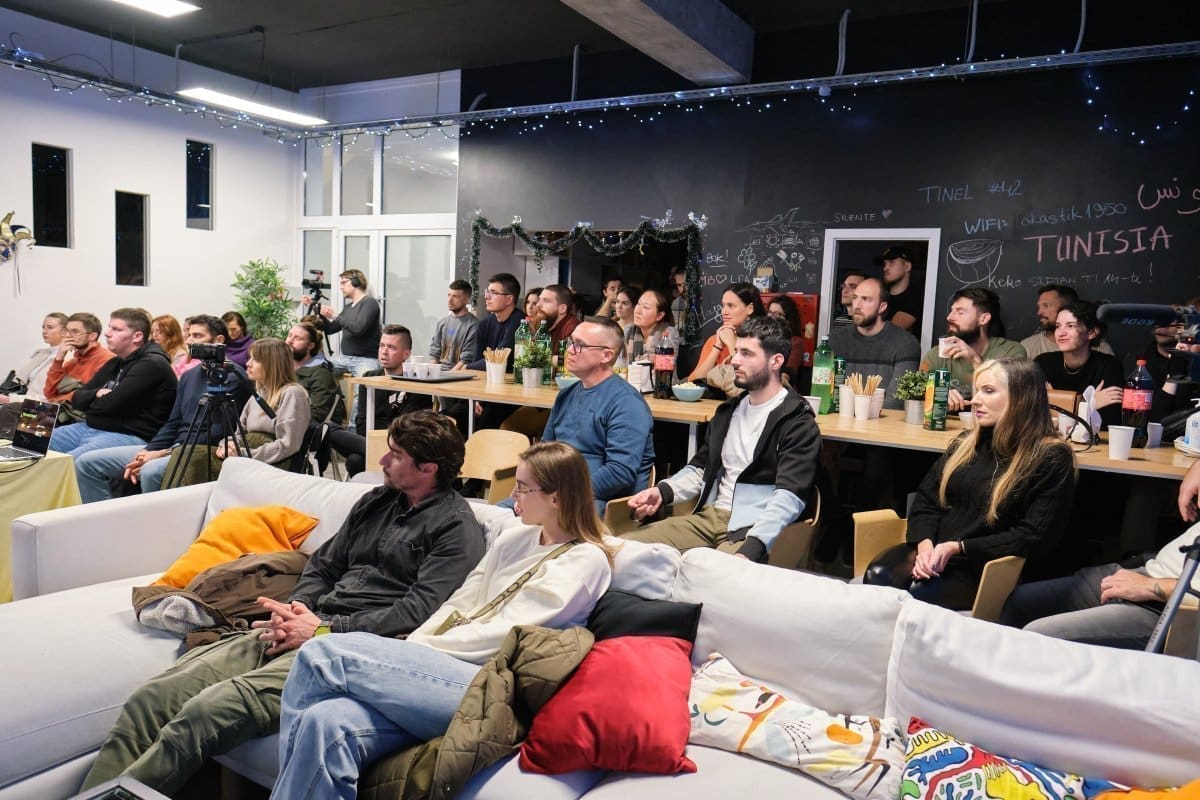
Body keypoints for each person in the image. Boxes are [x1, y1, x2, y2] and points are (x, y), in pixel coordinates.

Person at [79, 411, 486, 795]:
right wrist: (295, 609)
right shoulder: (377, 501)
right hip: (302, 621)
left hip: (348, 646)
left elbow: (415, 612)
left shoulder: (456, 528)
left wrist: (321, 630)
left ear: (428, 468)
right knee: (152, 698)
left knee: (206, 712)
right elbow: (323, 565)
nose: (381, 460)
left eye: (395, 455)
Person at [269, 440, 614, 799]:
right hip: (440, 667)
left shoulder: (585, 561)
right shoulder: (516, 538)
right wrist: (417, 643)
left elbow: (505, 635)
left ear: (556, 498)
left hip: (489, 686)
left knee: (319, 653)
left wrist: (421, 650)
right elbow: (461, 600)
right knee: (325, 722)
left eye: (523, 488)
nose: (513, 495)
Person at [863, 358, 1076, 610]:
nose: (975, 400)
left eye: (988, 391)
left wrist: (958, 548)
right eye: (977, 391)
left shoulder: (1050, 457)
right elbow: (926, 501)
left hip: (985, 563)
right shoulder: (965, 443)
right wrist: (925, 546)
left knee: (918, 595)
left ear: (1021, 398)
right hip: (936, 551)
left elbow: (1032, 536)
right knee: (878, 577)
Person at [626, 315, 821, 562]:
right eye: (736, 350)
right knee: (622, 549)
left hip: (753, 527)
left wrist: (753, 547)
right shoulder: (729, 411)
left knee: (711, 574)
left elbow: (789, 496)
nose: (735, 360)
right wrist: (663, 491)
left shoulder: (797, 423)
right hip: (709, 518)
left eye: (747, 353)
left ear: (776, 361)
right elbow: (701, 468)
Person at [1002, 462, 1200, 650]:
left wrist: (1150, 586)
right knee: (1017, 603)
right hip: (1150, 572)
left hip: (1176, 609)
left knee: (1037, 636)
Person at [73, 315, 248, 502]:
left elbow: (217, 432)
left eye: (197, 336)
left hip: (199, 450)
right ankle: (105, 517)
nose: (189, 341)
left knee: (150, 470)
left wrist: (164, 452)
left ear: (218, 340)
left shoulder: (232, 377)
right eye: (189, 335)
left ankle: (155, 519)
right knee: (86, 463)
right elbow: (173, 422)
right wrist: (148, 451)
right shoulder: (189, 376)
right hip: (171, 447)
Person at [540, 316, 655, 513]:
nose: (570, 350)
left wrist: (563, 494)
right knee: (494, 517)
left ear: (606, 355)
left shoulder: (627, 403)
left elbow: (619, 473)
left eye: (579, 345)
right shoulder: (565, 395)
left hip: (597, 501)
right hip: (555, 493)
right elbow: (543, 452)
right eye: (571, 342)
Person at [48, 308, 176, 458]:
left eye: (116, 329)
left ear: (137, 336)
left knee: (69, 462)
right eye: (109, 327)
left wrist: (90, 401)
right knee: (37, 442)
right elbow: (77, 399)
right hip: (92, 426)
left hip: (128, 434)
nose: (107, 333)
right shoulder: (117, 361)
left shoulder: (151, 364)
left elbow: (110, 405)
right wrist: (96, 393)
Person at [328, 324, 431, 476]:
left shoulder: (416, 382)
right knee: (327, 428)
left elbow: (404, 430)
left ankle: (371, 453)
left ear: (406, 354)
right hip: (370, 442)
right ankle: (371, 450)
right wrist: (379, 432)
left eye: (391, 347)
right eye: (382, 345)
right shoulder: (369, 378)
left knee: (355, 460)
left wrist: (378, 428)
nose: (384, 352)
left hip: (401, 449)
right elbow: (361, 423)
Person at [210, 338, 311, 472]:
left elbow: (288, 445)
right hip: (246, 458)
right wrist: (226, 445)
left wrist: (243, 454)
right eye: (250, 358)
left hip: (271, 465)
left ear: (273, 365)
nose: (248, 363)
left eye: (256, 359)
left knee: (195, 460)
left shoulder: (292, 394)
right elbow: (239, 434)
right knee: (190, 453)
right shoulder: (258, 395)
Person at [920, 288, 1027, 412]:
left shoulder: (1011, 352)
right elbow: (915, 392)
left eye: (960, 312)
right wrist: (934, 394)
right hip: (947, 422)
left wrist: (975, 360)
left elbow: (1014, 398)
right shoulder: (937, 354)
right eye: (951, 311)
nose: (949, 317)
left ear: (983, 319)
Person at [828, 278, 921, 409]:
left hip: (884, 420)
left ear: (882, 307)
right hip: (839, 418)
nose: (857, 305)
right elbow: (824, 393)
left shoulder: (905, 344)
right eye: (855, 298)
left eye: (866, 299)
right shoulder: (835, 340)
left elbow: (896, 403)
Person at [1033, 301, 1125, 429]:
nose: (1061, 333)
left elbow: (1109, 420)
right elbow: (1034, 413)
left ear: (1092, 332)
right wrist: (1089, 406)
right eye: (1058, 326)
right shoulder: (1043, 362)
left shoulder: (1109, 365)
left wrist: (1057, 404)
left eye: (1070, 326)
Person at [303, 268, 383, 377]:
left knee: (363, 385)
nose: (341, 287)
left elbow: (358, 329)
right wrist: (316, 308)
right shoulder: (348, 307)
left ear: (356, 282)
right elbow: (331, 329)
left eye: (343, 283)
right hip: (344, 359)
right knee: (315, 370)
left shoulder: (369, 303)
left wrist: (334, 316)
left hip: (366, 360)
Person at [686, 283, 765, 385]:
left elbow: (753, 381)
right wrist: (718, 346)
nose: (724, 312)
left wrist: (732, 343)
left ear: (750, 309)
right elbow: (693, 383)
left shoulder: (762, 339)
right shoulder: (715, 340)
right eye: (723, 306)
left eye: (731, 306)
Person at [0, 313, 67, 432]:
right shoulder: (42, 354)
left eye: (50, 327)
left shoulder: (65, 359)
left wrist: (10, 399)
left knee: (8, 409)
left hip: (45, 408)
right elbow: (23, 383)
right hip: (28, 399)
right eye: (43, 327)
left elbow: (44, 398)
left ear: (64, 332)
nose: (44, 331)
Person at [1018, 285, 1117, 360]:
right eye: (1039, 307)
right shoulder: (1027, 347)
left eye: (1046, 305)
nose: (1039, 312)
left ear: (1068, 308)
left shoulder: (1101, 349)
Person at [43, 312, 114, 404]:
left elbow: (89, 394)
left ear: (92, 336)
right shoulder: (72, 363)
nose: (68, 336)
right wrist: (59, 358)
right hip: (64, 409)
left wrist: (57, 400)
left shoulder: (106, 360)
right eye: (67, 331)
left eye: (75, 332)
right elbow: (49, 394)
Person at [286, 319, 346, 425]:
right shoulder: (283, 368)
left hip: (308, 430)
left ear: (310, 346)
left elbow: (317, 416)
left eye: (298, 338)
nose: (290, 341)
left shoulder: (321, 375)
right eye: (289, 335)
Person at [429, 279, 478, 368]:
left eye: (455, 296)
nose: (450, 300)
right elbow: (434, 353)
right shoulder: (442, 322)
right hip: (438, 372)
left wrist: (449, 375)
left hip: (458, 374)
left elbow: (466, 360)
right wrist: (430, 372)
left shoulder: (473, 326)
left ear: (466, 300)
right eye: (449, 295)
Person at [876, 245, 923, 338]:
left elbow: (888, 333)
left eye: (892, 262)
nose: (885, 268)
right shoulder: (880, 296)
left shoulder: (915, 298)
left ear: (907, 266)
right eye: (885, 264)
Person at [625, 288, 677, 364]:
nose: (638, 311)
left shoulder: (668, 332)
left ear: (659, 315)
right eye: (638, 304)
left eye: (646, 307)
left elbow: (666, 364)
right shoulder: (630, 330)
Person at [536, 284, 579, 365]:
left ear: (562, 308)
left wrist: (543, 360)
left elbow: (573, 359)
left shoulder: (572, 327)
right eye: (539, 300)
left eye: (546, 300)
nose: (538, 305)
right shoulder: (544, 324)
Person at [767, 294, 805, 380]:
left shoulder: (796, 342)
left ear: (788, 319)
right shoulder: (761, 337)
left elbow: (788, 371)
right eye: (770, 312)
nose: (771, 317)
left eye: (777, 314)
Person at [669, 264, 689, 331]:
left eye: (686, 284)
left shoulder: (704, 300)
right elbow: (678, 329)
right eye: (679, 285)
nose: (683, 289)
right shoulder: (676, 304)